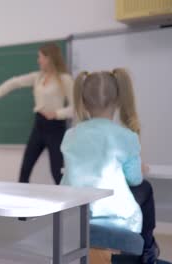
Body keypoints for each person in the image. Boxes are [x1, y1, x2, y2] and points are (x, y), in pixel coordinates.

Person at [60, 69, 159, 264]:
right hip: (116, 219)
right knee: (145, 188)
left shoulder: (70, 136)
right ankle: (148, 250)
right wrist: (139, 168)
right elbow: (134, 179)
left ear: (84, 102)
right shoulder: (126, 136)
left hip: (72, 216)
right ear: (118, 101)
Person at [0, 43, 73, 184]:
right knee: (25, 170)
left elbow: (75, 108)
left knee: (57, 172)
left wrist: (57, 113)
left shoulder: (65, 79)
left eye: (40, 57)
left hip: (55, 128)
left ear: (49, 58)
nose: (38, 60)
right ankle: (20, 203)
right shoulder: (38, 77)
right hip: (39, 126)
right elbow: (15, 82)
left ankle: (69, 203)